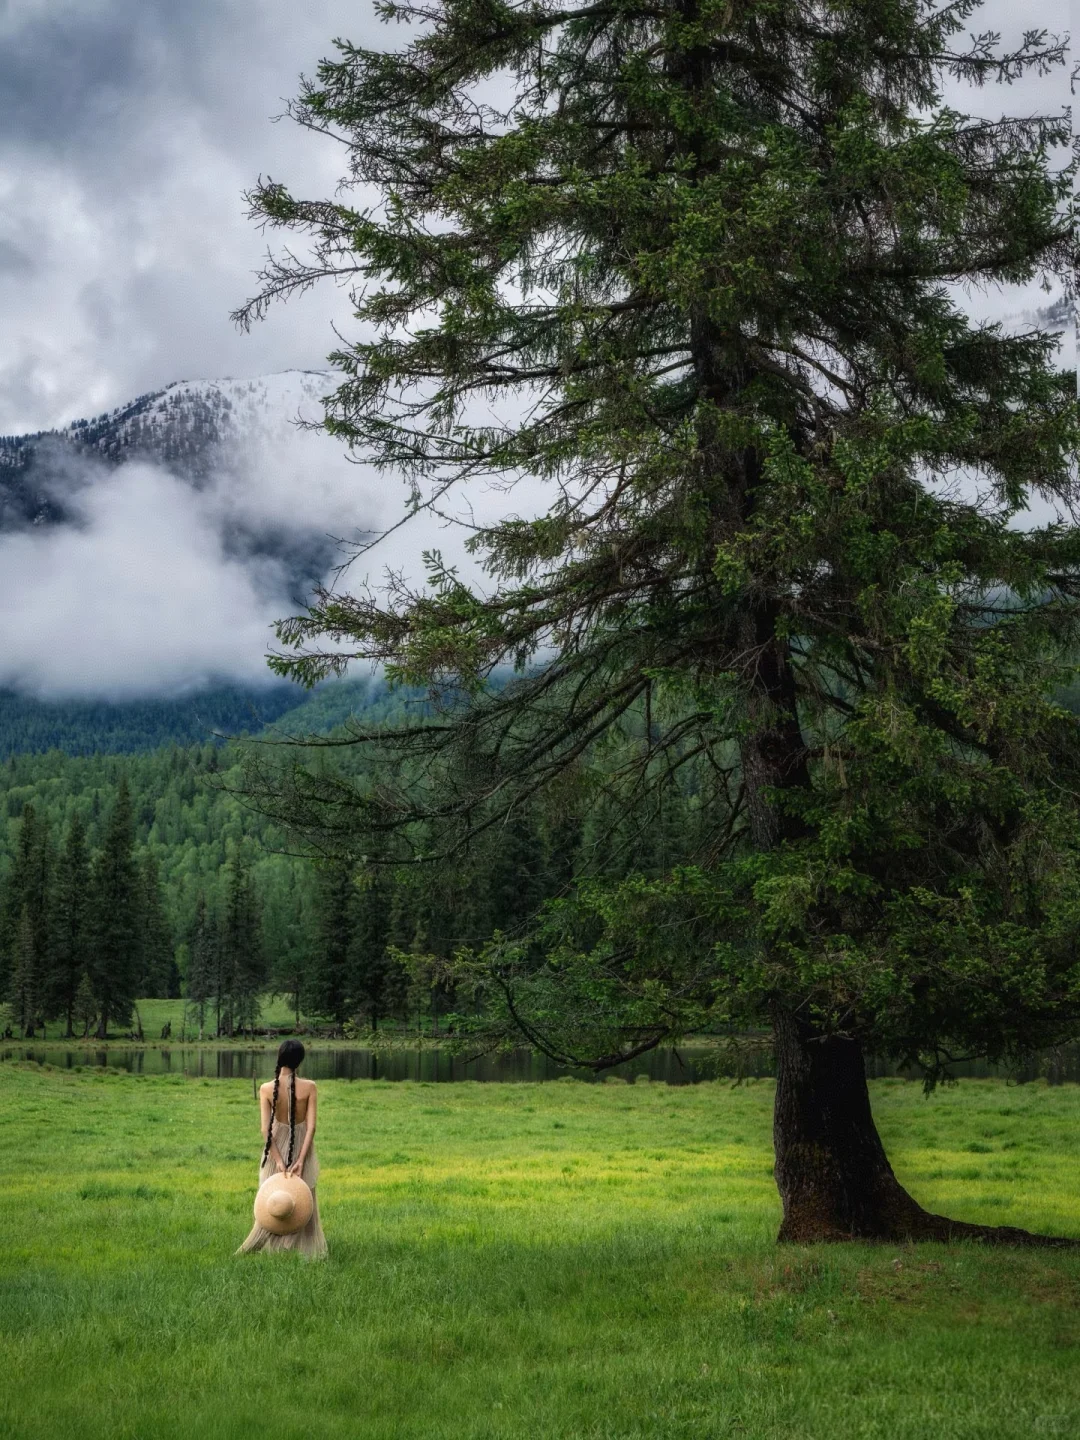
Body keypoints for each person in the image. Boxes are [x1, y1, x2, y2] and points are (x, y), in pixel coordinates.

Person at [237, 1039, 327, 1258]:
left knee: (273, 1197)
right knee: (303, 1197)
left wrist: (277, 1160)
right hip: (301, 1147)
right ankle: (303, 1248)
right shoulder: (310, 1087)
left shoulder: (266, 1088)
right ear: (300, 1060)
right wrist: (300, 1159)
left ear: (279, 1057)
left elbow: (265, 1130)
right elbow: (312, 1127)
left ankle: (269, 1245)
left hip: (275, 1147)